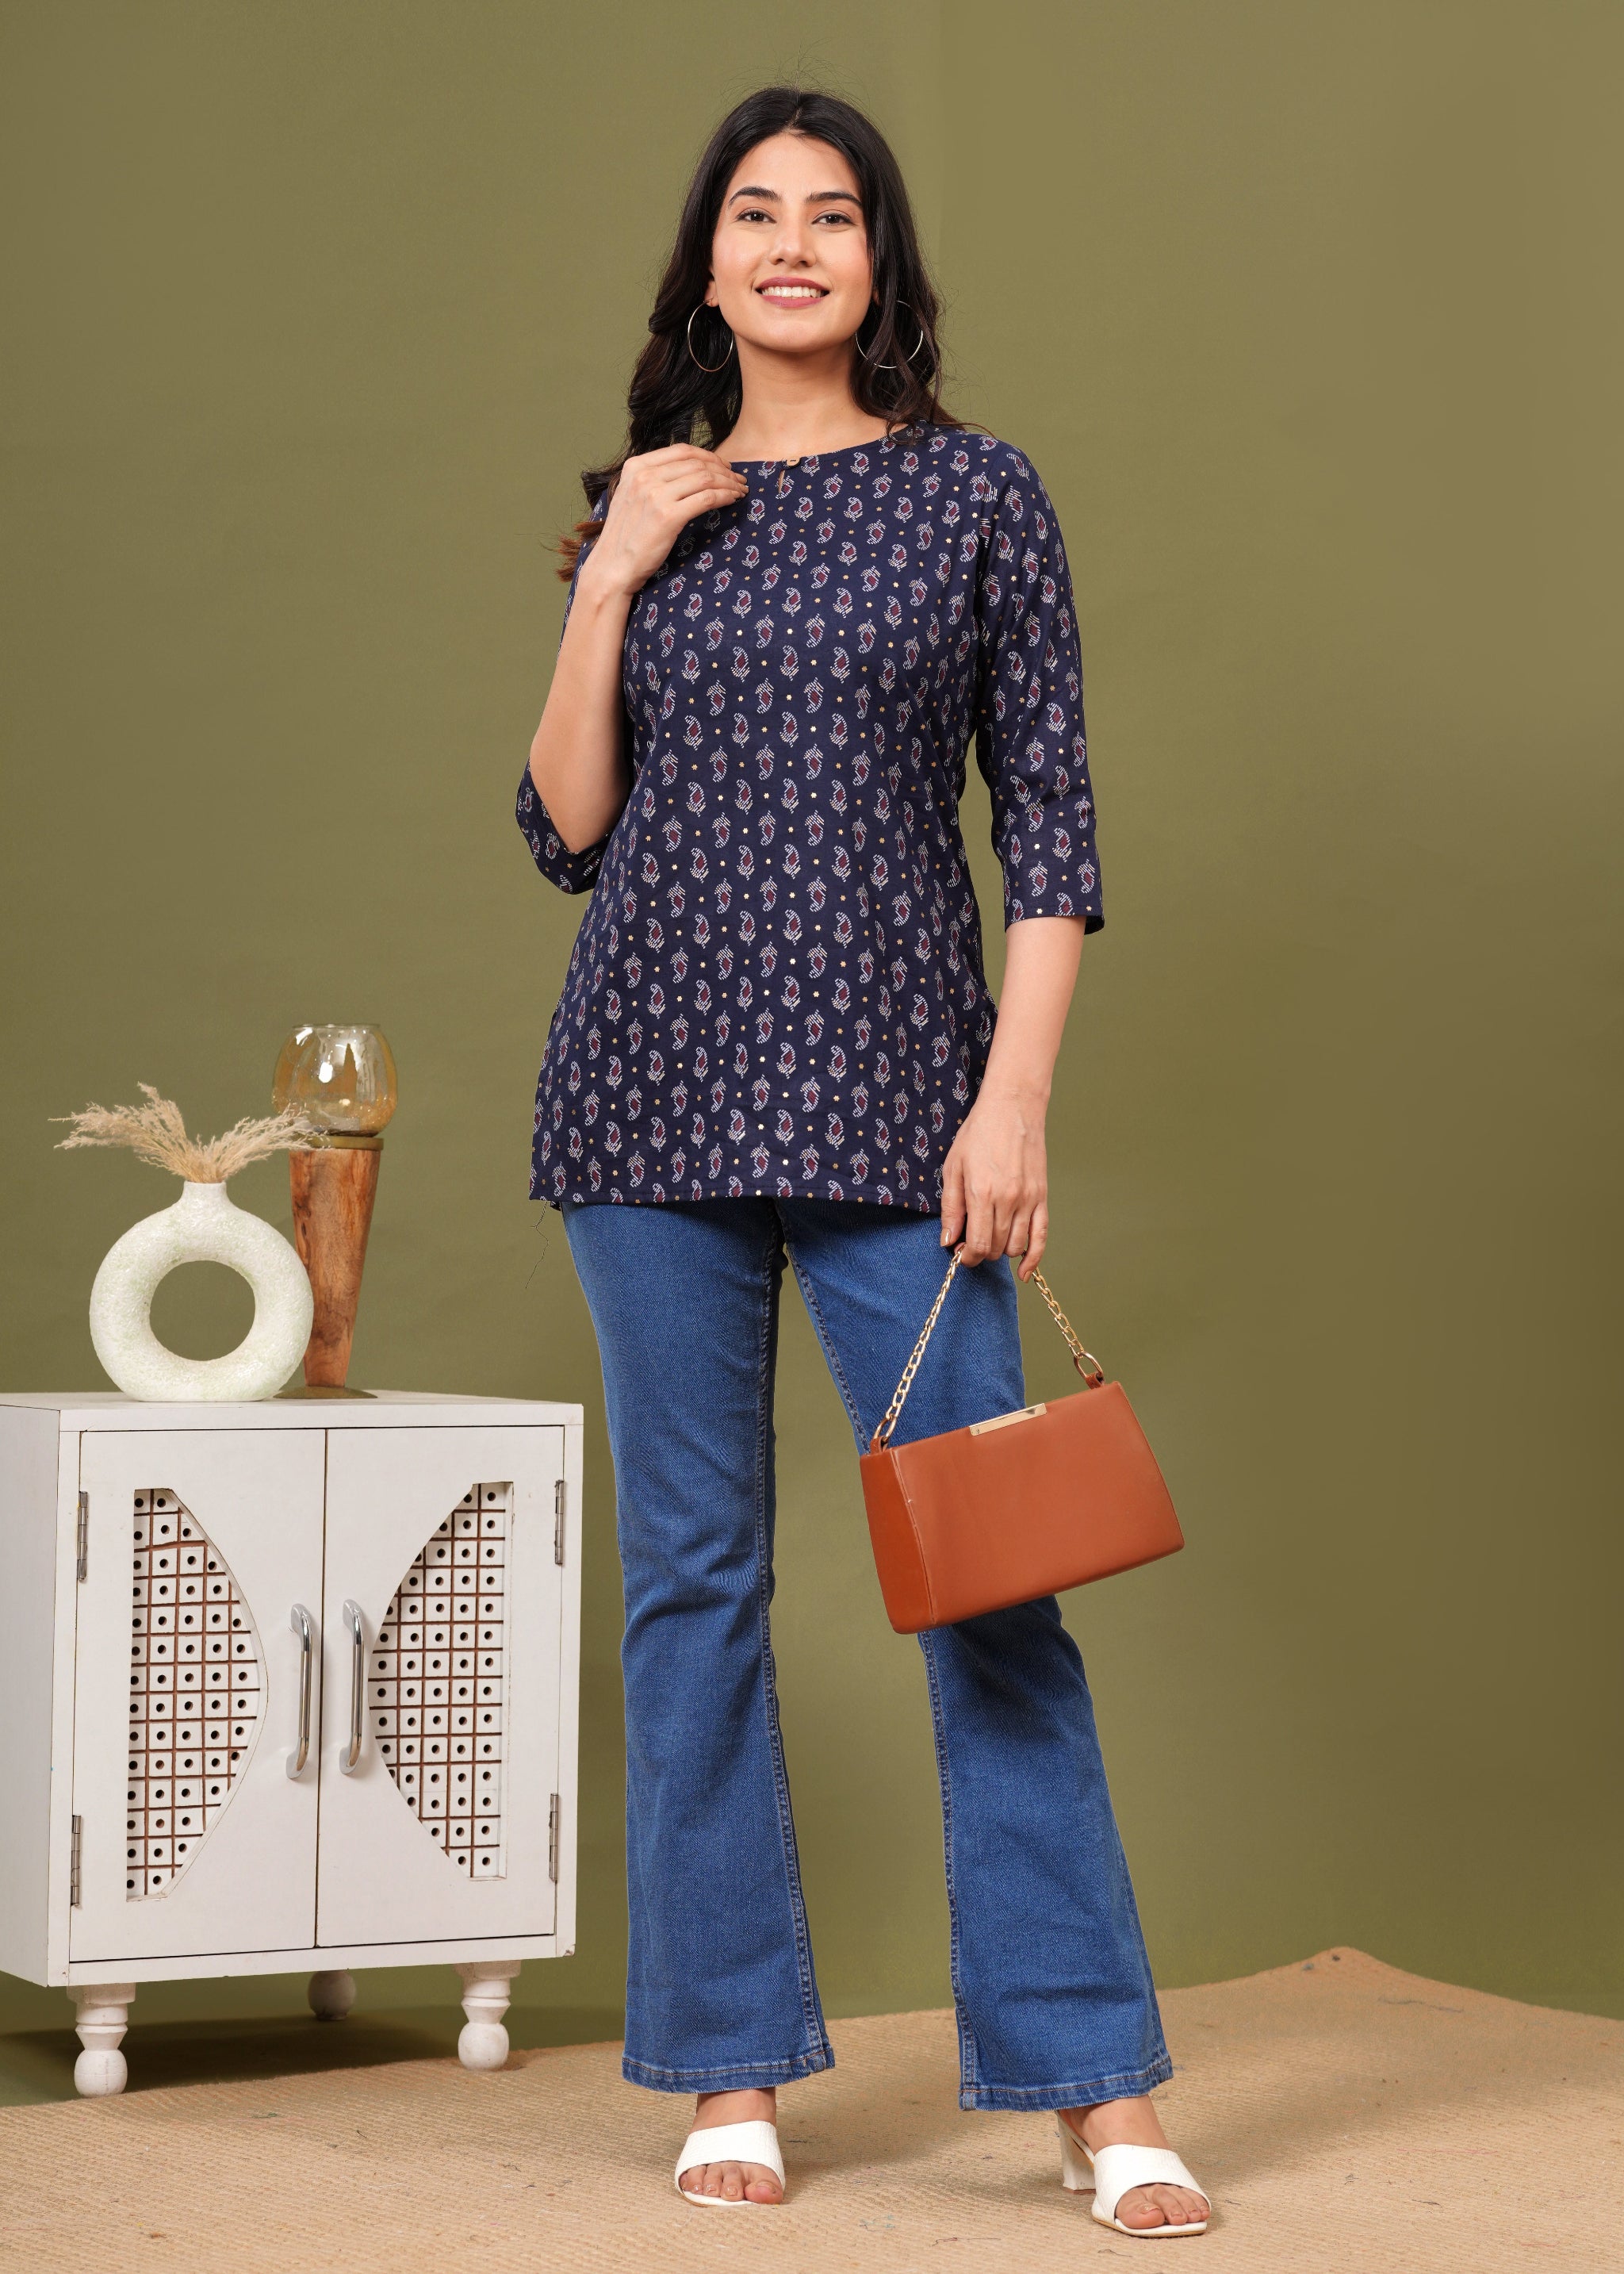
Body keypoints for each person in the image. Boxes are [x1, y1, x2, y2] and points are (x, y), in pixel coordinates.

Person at [516, 85, 1209, 2240]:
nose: (795, 242)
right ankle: (726, 2065)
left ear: (878, 268)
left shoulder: (977, 496)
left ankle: (1096, 2083)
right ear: (708, 265)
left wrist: (1011, 1103)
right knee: (693, 1592)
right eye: (756, 212)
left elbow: (1058, 830)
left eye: (834, 215)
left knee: (989, 1582)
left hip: (908, 1116)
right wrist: (611, 574)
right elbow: (566, 824)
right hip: (646, 1107)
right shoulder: (653, 501)